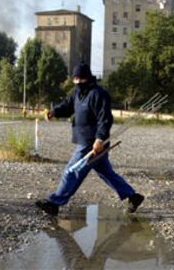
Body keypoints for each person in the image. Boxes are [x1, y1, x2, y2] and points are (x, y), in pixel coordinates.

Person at [35, 63, 144, 216]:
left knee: (72, 171)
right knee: (106, 172)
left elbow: (105, 119)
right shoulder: (77, 93)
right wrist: (54, 112)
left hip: (92, 143)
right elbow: (67, 106)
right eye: (75, 79)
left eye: (81, 78)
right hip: (86, 141)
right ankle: (133, 197)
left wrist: (100, 139)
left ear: (88, 78)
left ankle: (54, 203)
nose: (78, 82)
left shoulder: (98, 94)